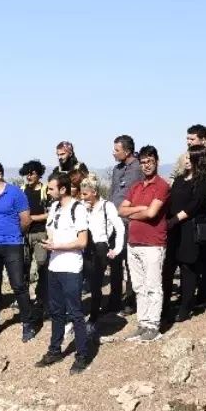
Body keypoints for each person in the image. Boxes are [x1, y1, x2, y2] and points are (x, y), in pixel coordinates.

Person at [36, 173, 92, 374]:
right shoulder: (54, 208)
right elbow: (51, 230)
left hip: (71, 268)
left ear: (63, 189)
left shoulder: (78, 209)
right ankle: (55, 350)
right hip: (54, 267)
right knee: (57, 312)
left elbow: (83, 241)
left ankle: (82, 355)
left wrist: (57, 245)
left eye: (51, 188)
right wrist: (50, 242)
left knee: (76, 312)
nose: (48, 191)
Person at [0, 160, 38, 341]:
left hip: (13, 245)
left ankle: (28, 323)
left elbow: (26, 220)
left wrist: (13, 233)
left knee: (19, 285)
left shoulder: (15, 193)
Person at [118, 146, 170, 342]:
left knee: (153, 286)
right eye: (143, 162)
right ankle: (143, 322)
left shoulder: (162, 186)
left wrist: (133, 212)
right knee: (139, 286)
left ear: (157, 161)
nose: (146, 165)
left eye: (150, 161)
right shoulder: (136, 187)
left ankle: (153, 325)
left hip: (153, 243)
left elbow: (152, 213)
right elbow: (121, 210)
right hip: (134, 243)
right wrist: (139, 208)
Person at [165, 146, 206, 323]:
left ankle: (186, 307)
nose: (186, 160)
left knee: (187, 268)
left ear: (198, 159)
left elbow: (195, 205)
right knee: (169, 266)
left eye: (189, 158)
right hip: (173, 230)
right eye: (185, 157)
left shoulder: (203, 181)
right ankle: (164, 306)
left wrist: (174, 219)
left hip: (189, 229)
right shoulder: (179, 179)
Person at [80, 177, 125, 325]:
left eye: (85, 194)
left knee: (96, 282)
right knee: (85, 280)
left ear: (94, 192)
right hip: (85, 247)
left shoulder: (107, 206)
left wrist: (116, 249)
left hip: (100, 247)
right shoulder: (83, 207)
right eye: (82, 194)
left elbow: (119, 227)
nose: (83, 197)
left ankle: (94, 316)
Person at [108, 136, 144, 314]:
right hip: (115, 223)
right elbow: (113, 192)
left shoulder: (139, 168)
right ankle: (114, 301)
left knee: (131, 263)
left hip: (131, 222)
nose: (114, 153)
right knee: (114, 261)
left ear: (127, 151)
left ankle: (131, 300)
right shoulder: (116, 169)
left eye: (117, 150)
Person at [20, 160, 51, 316]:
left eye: (32, 173)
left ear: (38, 174)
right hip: (25, 234)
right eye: (27, 173)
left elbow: (51, 212)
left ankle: (43, 299)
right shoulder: (22, 190)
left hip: (40, 233)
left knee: (42, 264)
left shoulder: (46, 191)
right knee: (24, 266)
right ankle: (24, 298)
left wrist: (33, 218)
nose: (29, 176)